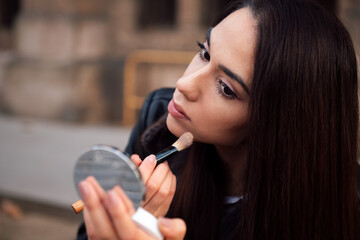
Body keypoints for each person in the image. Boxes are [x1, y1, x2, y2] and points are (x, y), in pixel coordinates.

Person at [77, 0, 360, 239]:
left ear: (279, 124)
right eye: (204, 52)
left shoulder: (333, 210)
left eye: (226, 88)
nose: (185, 83)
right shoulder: (160, 120)